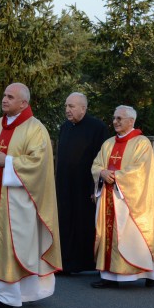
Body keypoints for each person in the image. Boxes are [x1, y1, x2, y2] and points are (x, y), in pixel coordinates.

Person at [0, 82, 61, 308]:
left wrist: (8, 162)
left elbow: (38, 163)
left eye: (10, 97)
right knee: (1, 245)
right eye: (4, 95)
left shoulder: (35, 128)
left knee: (12, 246)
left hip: (17, 202)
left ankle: (7, 297)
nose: (4, 99)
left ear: (24, 103)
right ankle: (11, 293)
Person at [90, 105, 154, 288]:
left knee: (138, 236)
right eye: (114, 118)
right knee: (110, 236)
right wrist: (101, 172)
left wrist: (116, 176)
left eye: (120, 118)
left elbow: (140, 170)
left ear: (131, 121)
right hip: (108, 199)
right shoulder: (108, 143)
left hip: (131, 201)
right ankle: (109, 276)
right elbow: (96, 164)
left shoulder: (142, 143)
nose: (115, 121)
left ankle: (150, 273)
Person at [56, 92, 108, 274]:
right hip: (65, 186)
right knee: (65, 222)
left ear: (83, 108)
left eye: (71, 106)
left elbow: (102, 159)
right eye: (66, 106)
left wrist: (96, 187)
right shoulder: (64, 127)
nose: (67, 110)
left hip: (86, 186)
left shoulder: (97, 128)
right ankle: (66, 263)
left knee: (84, 224)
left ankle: (86, 263)